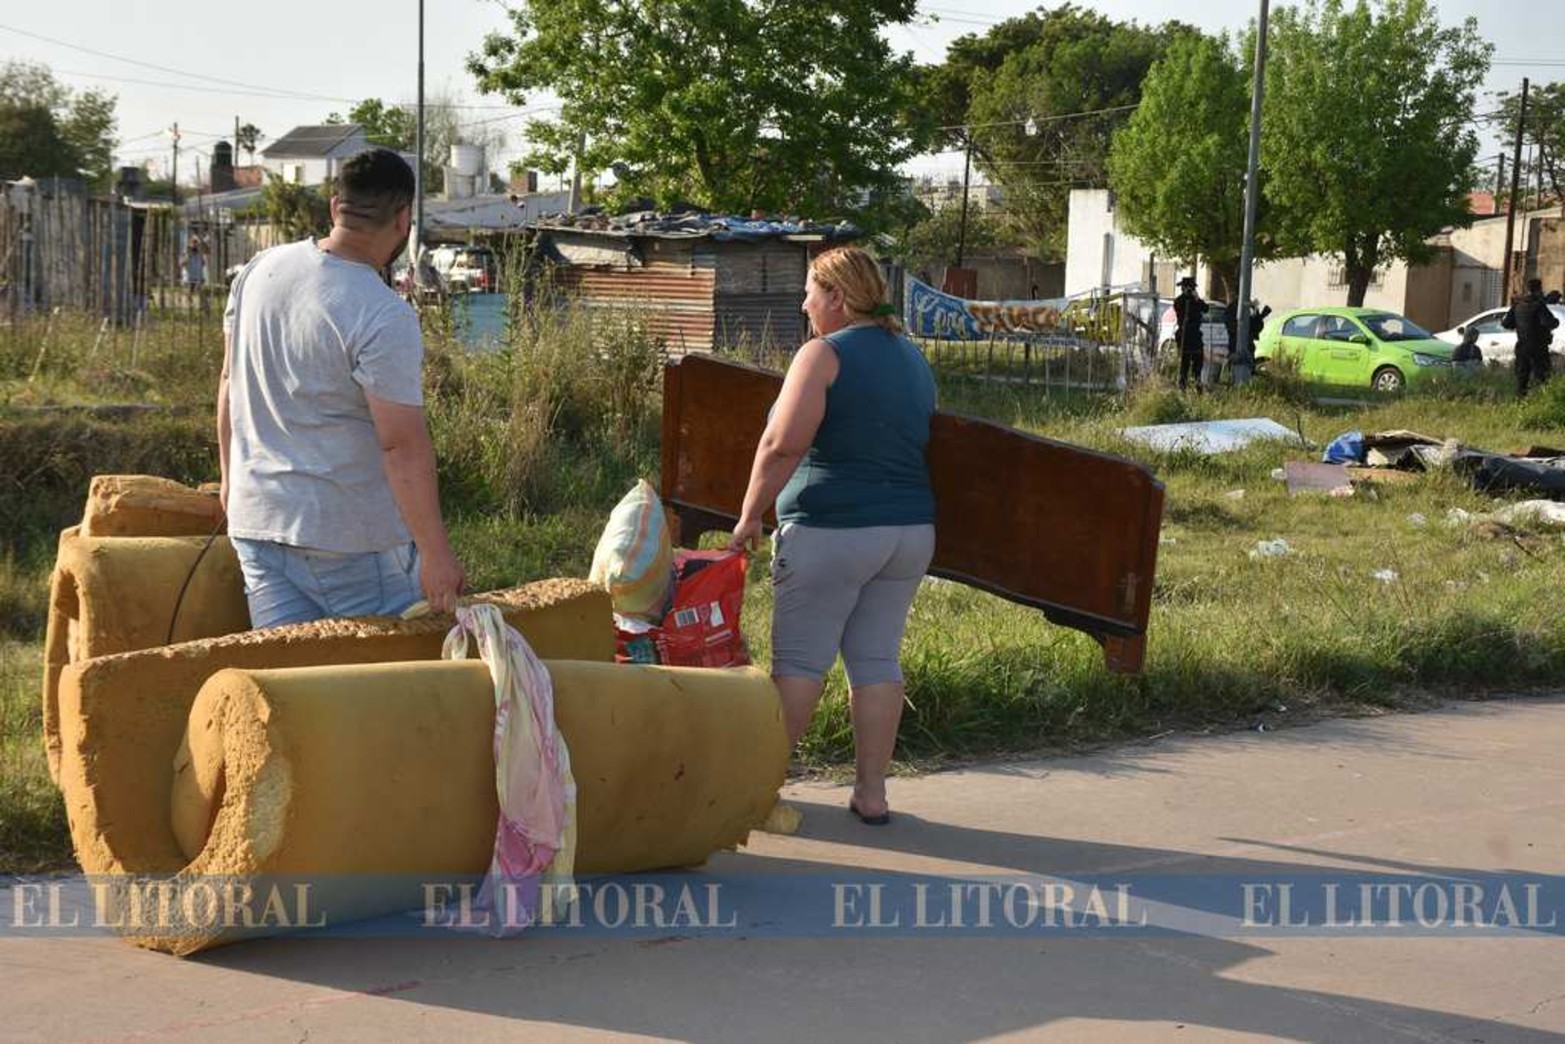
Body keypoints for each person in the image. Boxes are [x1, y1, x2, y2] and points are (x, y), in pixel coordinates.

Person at [729, 245, 936, 827]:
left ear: (837, 298)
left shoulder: (821, 355)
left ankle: (760, 793)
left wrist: (748, 516)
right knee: (876, 661)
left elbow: (782, 444)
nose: (803, 304)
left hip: (832, 531)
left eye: (810, 293)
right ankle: (872, 794)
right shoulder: (912, 356)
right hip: (909, 533)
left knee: (799, 663)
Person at [217, 148, 464, 628]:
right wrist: (436, 555)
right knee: (389, 691)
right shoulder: (381, 313)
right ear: (404, 220)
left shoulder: (258, 270)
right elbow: (401, 445)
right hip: (348, 540)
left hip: (257, 524)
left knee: (295, 689)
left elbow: (229, 382)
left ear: (335, 208)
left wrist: (230, 481)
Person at [1502, 277, 1560, 398]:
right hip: (1538, 348)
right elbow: (1549, 322)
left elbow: (1506, 323)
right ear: (1538, 290)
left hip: (1522, 347)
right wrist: (1556, 321)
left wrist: (1520, 324)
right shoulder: (1538, 305)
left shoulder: (1518, 305)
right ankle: (1541, 403)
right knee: (1542, 378)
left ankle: (1520, 404)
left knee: (1522, 380)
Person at [1173, 276, 1208, 391]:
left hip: (1195, 336)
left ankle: (1197, 386)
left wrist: (1196, 298)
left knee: (1197, 364)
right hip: (1184, 335)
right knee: (1184, 365)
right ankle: (1182, 387)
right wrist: (1186, 296)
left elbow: (1205, 308)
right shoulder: (1179, 301)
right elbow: (1177, 306)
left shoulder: (1196, 301)